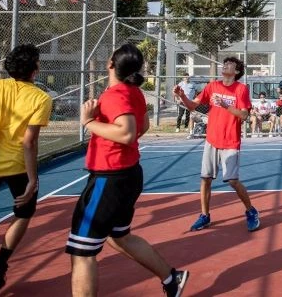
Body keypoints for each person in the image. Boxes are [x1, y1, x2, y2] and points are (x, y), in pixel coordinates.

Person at [67, 44, 188, 297]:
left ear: (111, 63)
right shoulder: (133, 92)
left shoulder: (114, 95)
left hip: (109, 179)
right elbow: (140, 126)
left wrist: (89, 122)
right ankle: (171, 277)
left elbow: (127, 131)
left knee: (82, 252)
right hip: (127, 174)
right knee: (119, 237)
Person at [0, 45, 51, 292]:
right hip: (17, 166)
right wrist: (33, 179)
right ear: (35, 69)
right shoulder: (40, 98)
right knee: (24, 213)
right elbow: (29, 142)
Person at [174, 57, 260, 233]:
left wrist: (225, 105)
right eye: (225, 63)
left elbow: (243, 115)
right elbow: (193, 107)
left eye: (229, 64)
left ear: (236, 71)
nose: (225, 65)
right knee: (205, 179)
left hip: (230, 141)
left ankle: (251, 211)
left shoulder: (241, 89)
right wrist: (182, 96)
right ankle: (205, 216)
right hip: (212, 139)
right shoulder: (212, 86)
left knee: (233, 181)